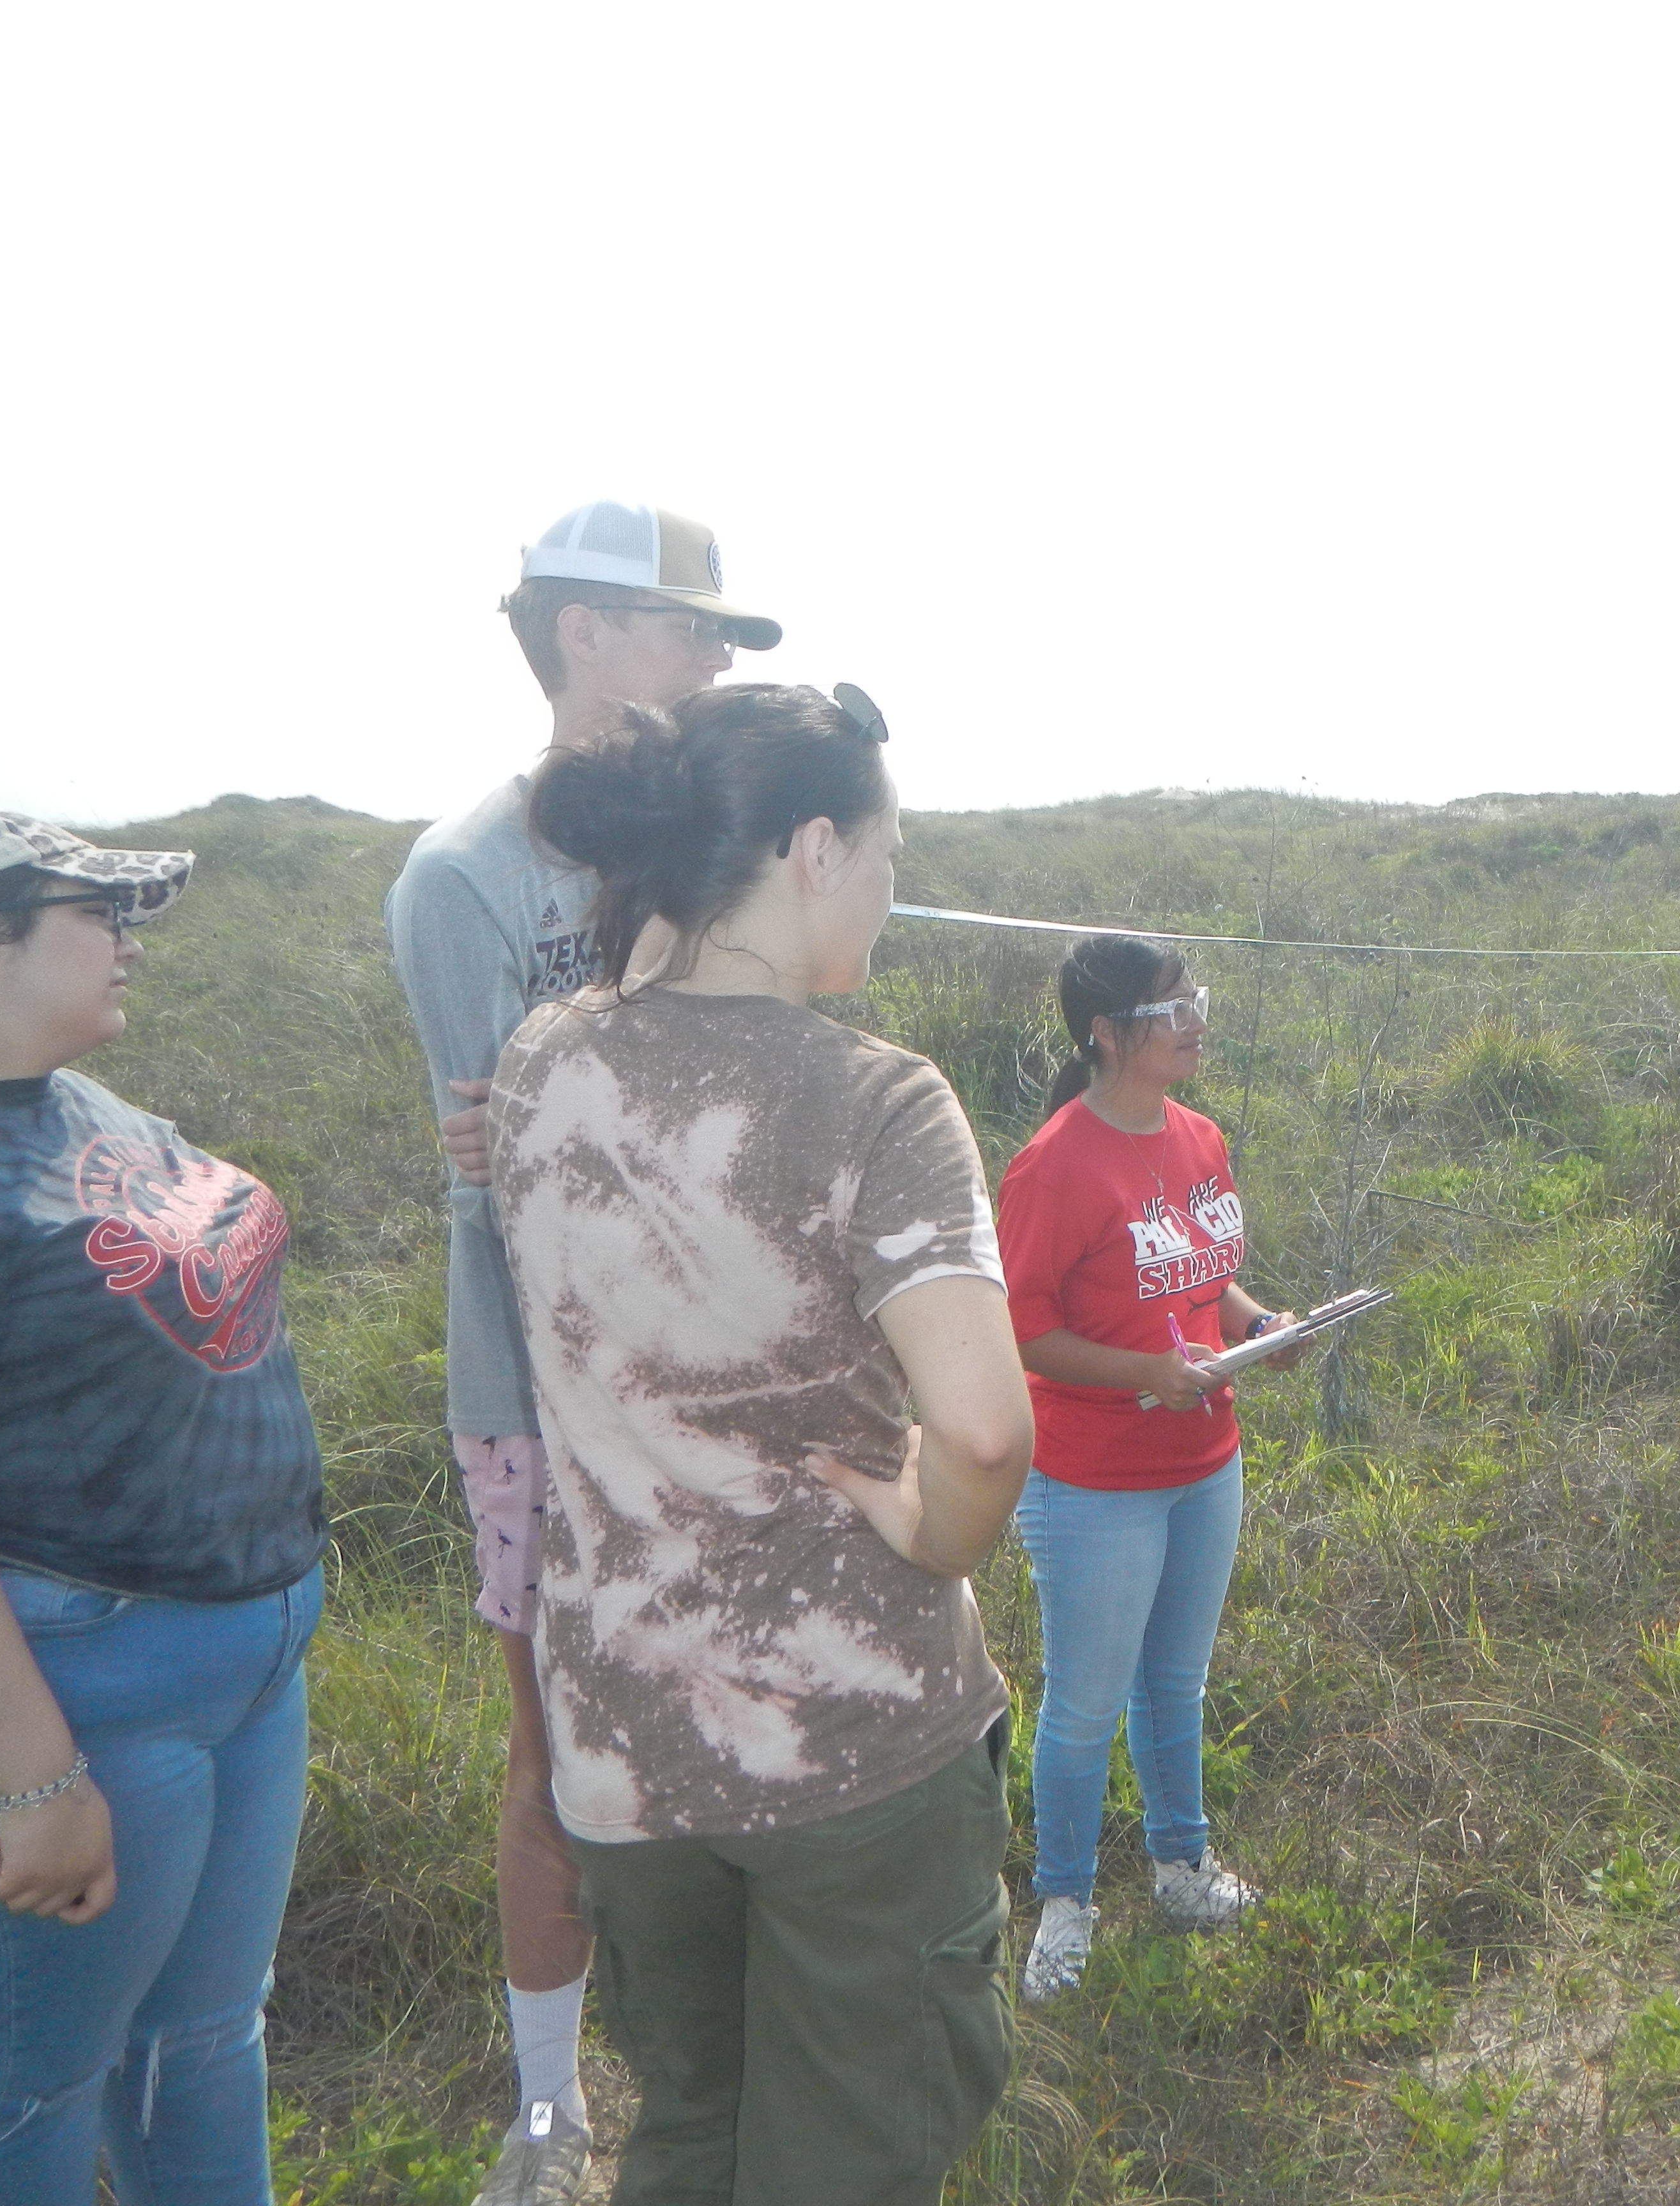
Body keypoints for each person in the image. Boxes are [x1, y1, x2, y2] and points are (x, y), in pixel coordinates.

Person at [484, 682, 1030, 2205]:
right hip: (845, 1736)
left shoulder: (541, 1060)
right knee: (850, 2151)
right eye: (885, 854)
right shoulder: (875, 1100)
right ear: (810, 849)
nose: (890, 890)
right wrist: (939, 1531)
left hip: (623, 1744)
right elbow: (982, 1430)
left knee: (692, 2126)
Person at [384, 500, 779, 2202]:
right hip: (541, 1400)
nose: (708, 663)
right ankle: (549, 2114)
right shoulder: (467, 876)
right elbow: (502, 1173)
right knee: (556, 1756)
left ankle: (727, 2076)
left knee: (737, 1729)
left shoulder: (743, 837)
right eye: (690, 630)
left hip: (732, 1376)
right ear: (581, 635)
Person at [0, 807, 326, 2203]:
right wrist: (38, 1779)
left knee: (201, 2042)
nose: (127, 946)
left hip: (247, 1658)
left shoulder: (81, 1100)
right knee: (28, 2093)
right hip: (93, 1685)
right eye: (93, 917)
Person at [996, 934, 1303, 2004]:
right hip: (1092, 1479)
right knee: (1083, 1704)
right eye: (1173, 1005)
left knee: (1175, 1683)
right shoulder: (1055, 1164)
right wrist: (1144, 1373)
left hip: (1203, 1458)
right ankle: (1065, 1905)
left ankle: (1183, 1868)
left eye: (1197, 999)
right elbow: (1019, 1331)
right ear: (1107, 1030)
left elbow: (1209, 1278)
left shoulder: (1199, 1137)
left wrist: (1264, 1324)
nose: (1196, 1018)